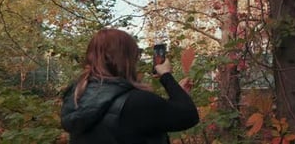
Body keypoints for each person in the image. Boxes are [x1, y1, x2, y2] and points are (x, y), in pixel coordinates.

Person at [61, 28, 199, 144]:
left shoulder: (76, 97)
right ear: (127, 59)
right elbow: (188, 116)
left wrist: (179, 95)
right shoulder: (138, 102)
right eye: (136, 54)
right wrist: (166, 76)